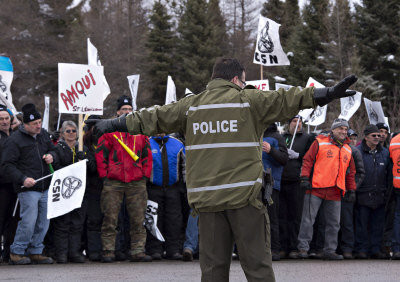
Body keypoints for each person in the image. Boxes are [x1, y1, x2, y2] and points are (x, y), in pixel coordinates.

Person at [87, 57, 357, 281]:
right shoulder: (248, 101)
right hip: (245, 201)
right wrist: (327, 94)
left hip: (208, 202)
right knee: (258, 270)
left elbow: (151, 117)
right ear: (238, 79)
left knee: (213, 273)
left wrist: (111, 125)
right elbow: (287, 98)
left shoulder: (192, 105)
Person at [96, 95, 153, 263]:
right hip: (113, 182)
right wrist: (105, 176)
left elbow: (147, 156)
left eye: (129, 110)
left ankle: (137, 250)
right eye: (124, 110)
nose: (127, 112)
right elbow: (100, 155)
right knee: (110, 218)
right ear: (117, 112)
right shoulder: (109, 132)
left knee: (138, 218)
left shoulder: (141, 133)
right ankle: (108, 250)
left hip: (136, 182)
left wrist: (144, 176)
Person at [2, 103, 57, 265]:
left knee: (43, 221)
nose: (38, 126)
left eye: (39, 122)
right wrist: (23, 178)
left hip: (45, 186)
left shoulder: (43, 135)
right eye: (34, 124)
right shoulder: (14, 140)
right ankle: (17, 251)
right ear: (25, 125)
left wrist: (52, 155)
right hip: (28, 188)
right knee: (28, 220)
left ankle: (36, 250)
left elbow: (54, 150)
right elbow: (7, 166)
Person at [296, 118, 356, 260]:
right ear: (333, 130)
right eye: (340, 128)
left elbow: (351, 172)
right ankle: (303, 249)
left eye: (346, 129)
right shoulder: (319, 142)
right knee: (308, 220)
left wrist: (351, 189)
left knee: (334, 224)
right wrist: (304, 177)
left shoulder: (348, 149)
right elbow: (307, 160)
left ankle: (330, 250)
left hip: (335, 191)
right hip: (316, 188)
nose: (343, 131)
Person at [51, 121, 94, 263]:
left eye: (74, 131)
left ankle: (74, 252)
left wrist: (85, 160)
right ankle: (61, 253)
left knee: (77, 224)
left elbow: (93, 168)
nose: (71, 133)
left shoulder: (83, 148)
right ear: (62, 133)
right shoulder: (57, 149)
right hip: (64, 193)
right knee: (63, 223)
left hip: (81, 193)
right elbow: (56, 166)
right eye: (68, 131)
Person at [279, 115, 315, 259]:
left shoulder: (307, 138)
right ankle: (282, 247)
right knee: (282, 215)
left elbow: (310, 156)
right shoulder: (282, 137)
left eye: (299, 121)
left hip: (297, 181)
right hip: (282, 180)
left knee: (295, 216)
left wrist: (298, 155)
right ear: (289, 124)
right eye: (294, 121)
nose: (297, 124)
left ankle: (294, 247)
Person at [145, 133, 185, 260]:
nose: (160, 131)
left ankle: (173, 249)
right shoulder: (146, 143)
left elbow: (185, 167)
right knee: (153, 219)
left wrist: (184, 186)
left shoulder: (178, 144)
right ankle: (155, 249)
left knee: (174, 220)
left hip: (173, 188)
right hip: (153, 188)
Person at [354, 125, 391, 259]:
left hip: (380, 194)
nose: (377, 137)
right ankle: (361, 249)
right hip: (363, 194)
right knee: (362, 224)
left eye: (378, 135)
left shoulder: (385, 152)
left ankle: (375, 249)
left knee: (378, 224)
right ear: (366, 137)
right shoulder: (357, 151)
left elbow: (388, 174)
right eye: (374, 135)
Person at [262, 123, 288, 261]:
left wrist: (271, 150)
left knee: (271, 217)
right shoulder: (253, 134)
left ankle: (274, 249)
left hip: (269, 184)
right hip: (252, 185)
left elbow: (284, 159)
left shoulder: (277, 137)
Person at [338, 129, 365, 259]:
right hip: (334, 189)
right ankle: (335, 247)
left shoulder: (354, 151)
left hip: (348, 191)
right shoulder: (337, 148)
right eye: (351, 137)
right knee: (332, 221)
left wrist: (352, 188)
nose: (353, 140)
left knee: (347, 221)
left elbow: (360, 173)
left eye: (355, 138)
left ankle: (347, 248)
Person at [82, 115, 104, 261]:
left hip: (107, 186)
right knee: (93, 220)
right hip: (91, 188)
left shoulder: (106, 143)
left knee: (107, 220)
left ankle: (106, 249)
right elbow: (92, 169)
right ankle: (93, 250)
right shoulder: (83, 147)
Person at [0, 105, 18, 263]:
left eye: (6, 118)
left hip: (15, 185)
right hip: (2, 185)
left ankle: (8, 253)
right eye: (1, 119)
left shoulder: (16, 135)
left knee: (12, 221)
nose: (4, 121)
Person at [389, 132, 400, 259]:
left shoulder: (395, 140)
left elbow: (392, 159)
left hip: (398, 184)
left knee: (398, 217)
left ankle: (397, 249)